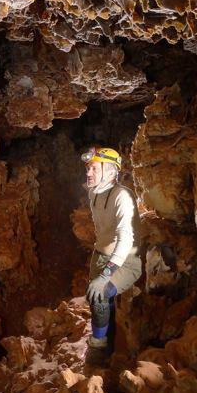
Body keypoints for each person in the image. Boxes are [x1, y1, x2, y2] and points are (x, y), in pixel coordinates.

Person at [81, 146, 142, 349]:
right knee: (94, 297)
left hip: (126, 260)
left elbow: (125, 240)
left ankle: (99, 344)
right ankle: (108, 335)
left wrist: (106, 275)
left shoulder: (122, 197)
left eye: (94, 169)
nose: (88, 173)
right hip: (100, 255)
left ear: (110, 172)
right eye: (88, 168)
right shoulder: (94, 193)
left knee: (101, 293)